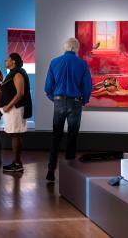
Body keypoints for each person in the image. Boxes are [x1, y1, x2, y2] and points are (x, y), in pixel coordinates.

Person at [44, 38, 92, 181]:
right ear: (76, 49)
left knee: (56, 137)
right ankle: (69, 173)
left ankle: (51, 171)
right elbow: (87, 86)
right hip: (75, 103)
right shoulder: (82, 64)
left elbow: (48, 88)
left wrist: (55, 99)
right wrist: (84, 100)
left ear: (64, 47)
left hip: (58, 101)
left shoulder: (54, 62)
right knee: (72, 137)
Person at [0, 53, 32, 172]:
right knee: (14, 135)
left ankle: (17, 163)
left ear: (13, 62)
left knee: (16, 135)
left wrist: (8, 105)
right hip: (12, 109)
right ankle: (16, 162)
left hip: (15, 109)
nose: (5, 61)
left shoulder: (17, 73)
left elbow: (20, 93)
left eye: (7, 60)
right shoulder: (14, 72)